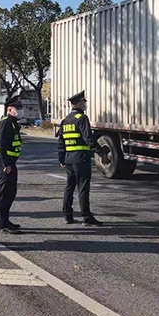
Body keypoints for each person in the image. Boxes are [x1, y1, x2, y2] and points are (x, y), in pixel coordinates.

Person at [57, 91, 106, 226]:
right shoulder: (82, 118)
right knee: (83, 188)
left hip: (69, 160)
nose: (85, 105)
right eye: (84, 102)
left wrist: (61, 159)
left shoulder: (65, 120)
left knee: (69, 187)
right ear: (78, 104)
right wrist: (100, 152)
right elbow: (88, 138)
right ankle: (86, 217)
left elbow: (61, 142)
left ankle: (68, 216)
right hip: (81, 159)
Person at [0, 95, 24, 234]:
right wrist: (6, 163)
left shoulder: (13, 123)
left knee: (11, 192)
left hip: (10, 162)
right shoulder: (6, 122)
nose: (20, 110)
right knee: (5, 193)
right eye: (17, 108)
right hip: (4, 163)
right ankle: (3, 224)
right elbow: (1, 144)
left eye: (20, 108)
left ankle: (5, 219)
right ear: (9, 109)